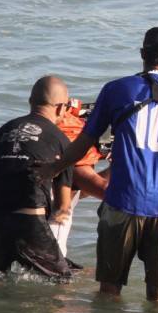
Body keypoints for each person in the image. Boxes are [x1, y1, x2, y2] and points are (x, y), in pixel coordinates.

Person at [32, 27, 158, 301]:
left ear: (142, 54)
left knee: (109, 291)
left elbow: (83, 142)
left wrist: (53, 169)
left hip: (121, 204)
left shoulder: (116, 90)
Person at [0, 76, 76, 280]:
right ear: (60, 109)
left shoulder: (3, 131)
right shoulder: (60, 139)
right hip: (28, 223)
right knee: (62, 282)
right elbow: (63, 207)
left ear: (31, 101)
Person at [47, 97, 110, 264]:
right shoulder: (74, 158)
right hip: (47, 251)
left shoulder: (49, 140)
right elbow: (107, 191)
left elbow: (78, 192)